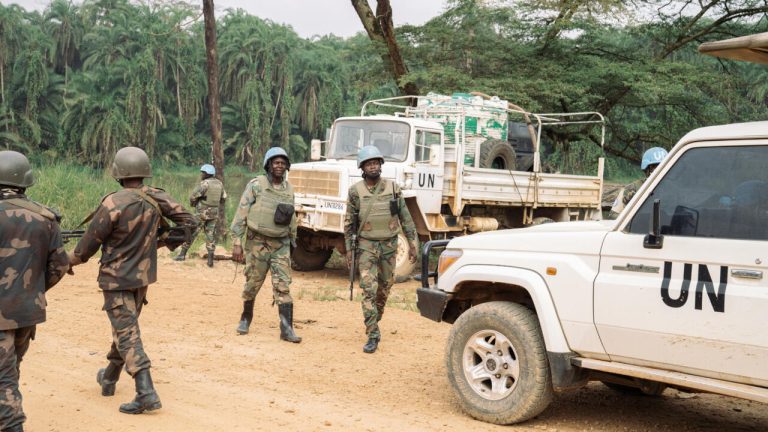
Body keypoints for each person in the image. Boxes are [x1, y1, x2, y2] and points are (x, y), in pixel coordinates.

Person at [68, 147, 196, 415]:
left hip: (116, 280)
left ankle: (146, 391)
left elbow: (84, 249)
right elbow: (189, 221)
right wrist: (160, 242)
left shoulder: (112, 203)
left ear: (118, 173)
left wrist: (64, 262)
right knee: (126, 328)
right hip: (142, 278)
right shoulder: (156, 198)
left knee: (126, 332)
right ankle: (109, 377)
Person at [0, 151, 70, 432]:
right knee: (10, 369)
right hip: (28, 311)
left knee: (3, 376)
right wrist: (34, 289)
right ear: (25, 182)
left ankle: (13, 425)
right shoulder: (46, 217)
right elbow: (61, 265)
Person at [344, 146, 417, 354]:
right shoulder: (355, 192)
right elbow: (348, 223)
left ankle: (375, 319)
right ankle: (373, 334)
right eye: (369, 163)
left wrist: (412, 244)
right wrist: (349, 250)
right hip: (367, 246)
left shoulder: (393, 189)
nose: (373, 166)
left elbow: (406, 218)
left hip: (389, 246)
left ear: (381, 165)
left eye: (376, 162)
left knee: (384, 289)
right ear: (362, 167)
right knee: (368, 289)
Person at [230, 146, 301, 343]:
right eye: (276, 162)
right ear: (268, 165)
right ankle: (246, 318)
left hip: (281, 245)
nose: (279, 166)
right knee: (252, 283)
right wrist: (236, 242)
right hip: (257, 243)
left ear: (287, 166)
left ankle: (286, 329)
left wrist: (293, 241)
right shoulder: (256, 185)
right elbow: (241, 213)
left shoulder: (289, 190)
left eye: (283, 163)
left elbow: (292, 218)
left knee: (283, 286)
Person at [174, 164, 227, 267]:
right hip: (214, 213)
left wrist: (194, 204)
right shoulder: (219, 184)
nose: (201, 174)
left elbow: (193, 196)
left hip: (202, 213)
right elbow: (224, 198)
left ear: (207, 174)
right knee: (210, 234)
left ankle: (182, 254)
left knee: (193, 232)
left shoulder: (205, 184)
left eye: (203, 173)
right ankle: (210, 261)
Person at [610, 147, 668, 218]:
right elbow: (614, 215)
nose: (660, 170)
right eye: (655, 166)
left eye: (663, 166)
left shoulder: (674, 189)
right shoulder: (632, 189)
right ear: (647, 169)